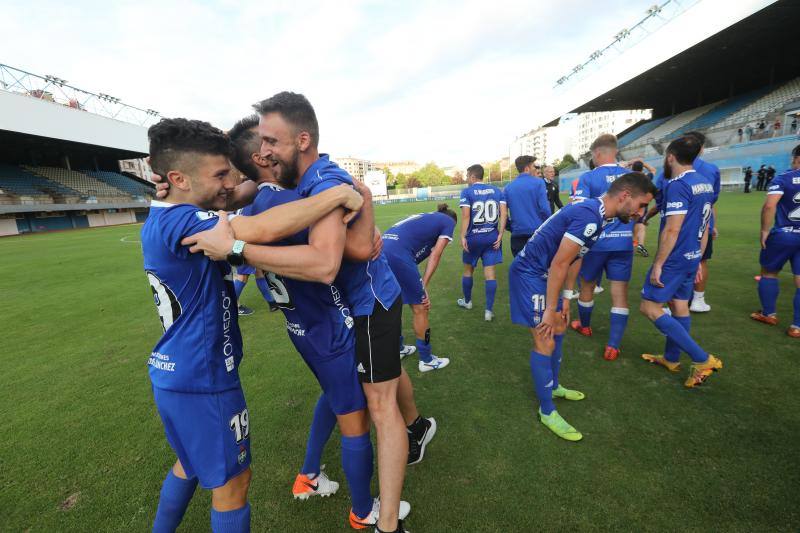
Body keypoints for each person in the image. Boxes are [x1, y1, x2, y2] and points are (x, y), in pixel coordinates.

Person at [142, 118, 364, 533]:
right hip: (205, 377)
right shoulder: (185, 222)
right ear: (177, 179)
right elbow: (260, 228)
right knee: (234, 484)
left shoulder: (167, 214)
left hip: (176, 372)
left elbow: (238, 206)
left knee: (189, 464)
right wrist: (337, 194)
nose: (230, 183)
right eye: (220, 174)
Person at [253, 92, 423, 533]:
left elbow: (344, 254)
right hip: (357, 305)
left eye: (272, 140)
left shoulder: (326, 179)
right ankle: (418, 429)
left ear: (303, 139)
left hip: (369, 305)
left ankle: (386, 523)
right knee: (354, 389)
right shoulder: (305, 184)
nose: (264, 151)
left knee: (377, 405)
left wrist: (239, 247)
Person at [223, 115, 380, 518]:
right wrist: (361, 213)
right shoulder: (285, 202)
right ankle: (363, 512)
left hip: (301, 324)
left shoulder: (258, 202)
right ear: (262, 155)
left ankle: (309, 475)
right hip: (327, 325)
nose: (279, 149)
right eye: (271, 143)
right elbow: (346, 245)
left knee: (334, 395)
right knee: (355, 419)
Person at [509, 172, 655, 441]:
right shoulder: (590, 214)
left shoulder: (601, 216)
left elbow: (575, 257)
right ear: (625, 196)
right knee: (545, 338)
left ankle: (552, 387)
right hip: (530, 274)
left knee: (561, 327)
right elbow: (559, 263)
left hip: (547, 274)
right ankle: (547, 411)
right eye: (641, 205)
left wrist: (566, 298)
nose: (640, 213)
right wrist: (550, 309)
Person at [639, 136, 723, 388]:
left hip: (675, 258)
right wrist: (698, 257)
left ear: (670, 157)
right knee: (679, 306)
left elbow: (672, 230)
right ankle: (671, 358)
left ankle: (701, 358)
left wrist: (658, 264)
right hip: (691, 256)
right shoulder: (705, 183)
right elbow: (706, 225)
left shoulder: (678, 184)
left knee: (649, 307)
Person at [570, 134, 636, 361]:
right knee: (620, 294)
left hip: (596, 244)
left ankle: (585, 326)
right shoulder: (632, 177)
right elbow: (640, 210)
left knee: (587, 285)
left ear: (597, 153)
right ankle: (613, 345)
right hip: (624, 242)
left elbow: (580, 211)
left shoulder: (588, 177)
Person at [383, 205, 456, 371]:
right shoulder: (449, 221)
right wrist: (424, 285)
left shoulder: (427, 217)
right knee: (421, 307)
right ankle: (426, 359)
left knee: (394, 303)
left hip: (383, 249)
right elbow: (436, 254)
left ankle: (398, 348)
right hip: (398, 254)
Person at [750, 144, 800, 338]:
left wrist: (764, 230)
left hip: (783, 235)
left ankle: (768, 314)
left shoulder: (783, 178)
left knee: (769, 272)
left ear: (797, 158)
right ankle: (797, 326)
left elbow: (769, 206)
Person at [457, 164, 508, 321]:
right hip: (491, 237)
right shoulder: (497, 191)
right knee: (490, 274)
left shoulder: (467, 192)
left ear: (473, 177)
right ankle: (488, 311)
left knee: (468, 271)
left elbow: (466, 217)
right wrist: (500, 233)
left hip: (473, 238)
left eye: (467, 176)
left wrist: (463, 236)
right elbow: (504, 213)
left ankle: (467, 302)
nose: (466, 179)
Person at [684, 132, 721, 314]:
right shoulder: (711, 169)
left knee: (674, 260)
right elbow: (711, 200)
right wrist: (712, 224)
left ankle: (676, 301)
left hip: (679, 223)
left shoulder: (672, 166)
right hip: (703, 224)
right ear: (702, 148)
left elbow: (661, 196)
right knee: (702, 260)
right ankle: (698, 299)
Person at [503, 155, 550, 257]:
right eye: (534, 166)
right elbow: (545, 209)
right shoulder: (539, 183)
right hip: (537, 232)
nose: (535, 169)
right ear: (527, 168)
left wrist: (510, 226)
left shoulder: (508, 188)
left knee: (521, 267)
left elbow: (503, 213)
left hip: (517, 233)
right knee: (539, 267)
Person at [630, 159, 656, 257]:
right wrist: (643, 163)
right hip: (643, 204)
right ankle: (639, 244)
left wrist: (630, 163)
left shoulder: (629, 177)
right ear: (641, 169)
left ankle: (634, 244)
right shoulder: (646, 177)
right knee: (641, 225)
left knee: (632, 225)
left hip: (631, 203)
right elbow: (653, 170)